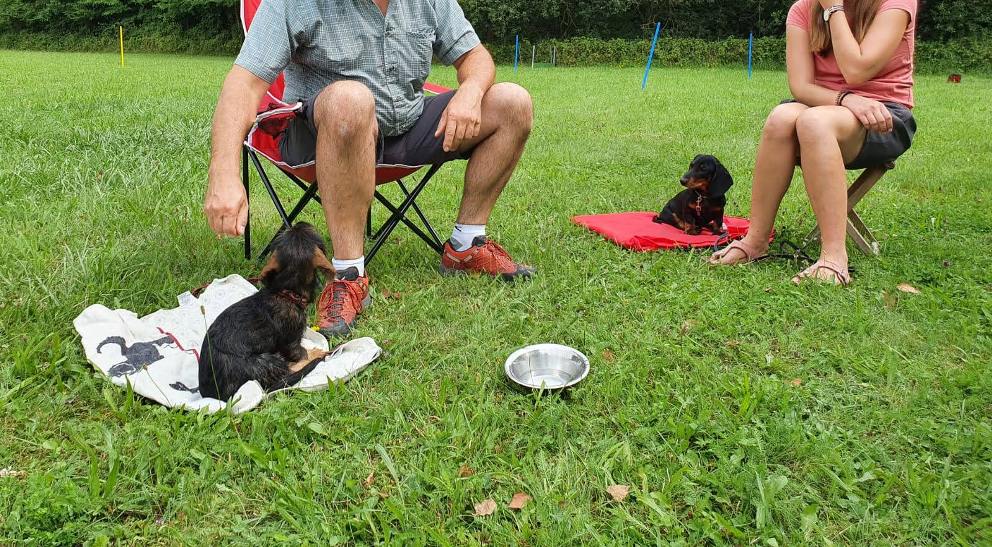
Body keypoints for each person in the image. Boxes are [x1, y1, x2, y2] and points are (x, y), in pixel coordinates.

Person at [203, 0, 536, 337]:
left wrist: (471, 90)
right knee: (351, 100)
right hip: (322, 134)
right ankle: (348, 275)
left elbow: (474, 57)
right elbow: (243, 84)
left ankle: (466, 246)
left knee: (512, 101)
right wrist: (223, 173)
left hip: (406, 124)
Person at [710, 0, 918, 285]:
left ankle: (834, 259)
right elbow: (801, 86)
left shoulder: (895, 2)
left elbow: (856, 71)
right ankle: (755, 241)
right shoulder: (803, 10)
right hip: (826, 104)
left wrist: (833, 9)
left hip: (883, 115)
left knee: (815, 122)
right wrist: (846, 99)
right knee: (781, 118)